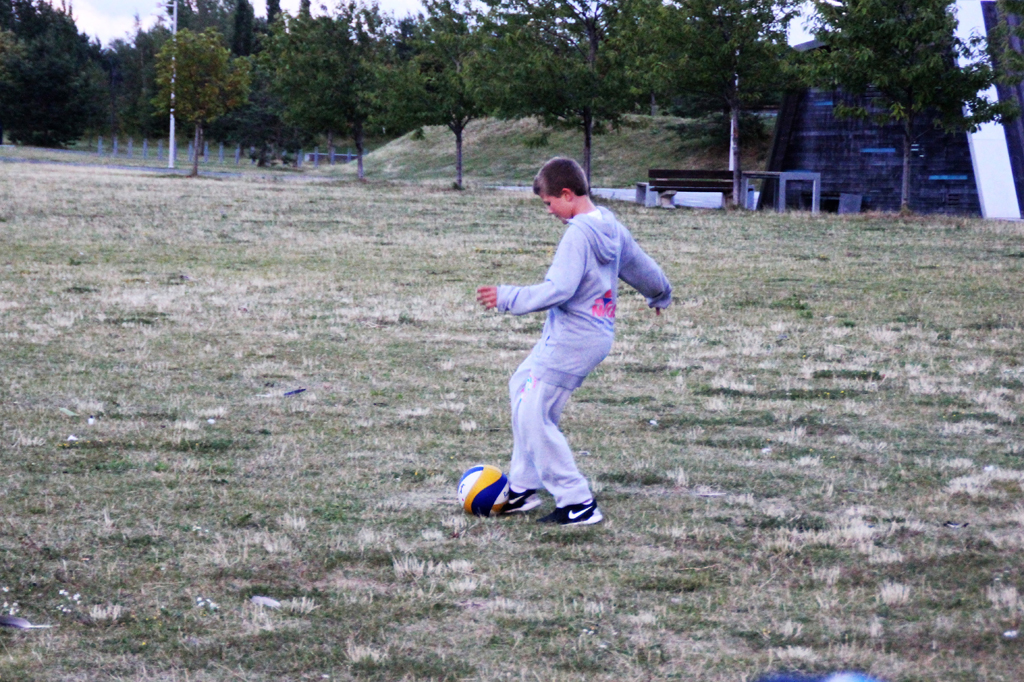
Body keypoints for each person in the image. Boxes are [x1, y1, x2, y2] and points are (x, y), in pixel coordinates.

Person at [476, 157, 673, 525]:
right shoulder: (609, 225)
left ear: (567, 194)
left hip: (573, 339)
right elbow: (640, 266)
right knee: (521, 386)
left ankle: (577, 502)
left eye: (549, 203)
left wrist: (507, 297)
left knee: (535, 415)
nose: (549, 211)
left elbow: (559, 289)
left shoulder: (578, 235)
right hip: (589, 334)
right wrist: (660, 292)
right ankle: (522, 487)